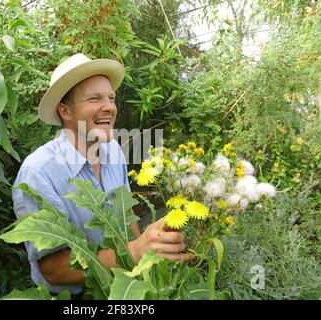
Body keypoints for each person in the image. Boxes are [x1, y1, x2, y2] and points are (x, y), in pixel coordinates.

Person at [12, 53, 194, 297]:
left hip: (125, 285)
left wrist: (146, 261)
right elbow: (52, 269)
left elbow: (126, 214)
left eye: (111, 98)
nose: (109, 106)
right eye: (95, 98)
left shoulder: (114, 150)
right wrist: (135, 252)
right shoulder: (38, 172)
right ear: (65, 111)